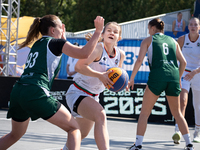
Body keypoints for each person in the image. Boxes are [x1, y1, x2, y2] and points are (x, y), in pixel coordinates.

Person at [0, 14, 104, 150]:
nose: (62, 29)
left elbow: (61, 52)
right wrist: (98, 31)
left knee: (15, 134)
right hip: (35, 91)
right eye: (61, 27)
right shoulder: (55, 43)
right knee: (74, 129)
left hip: (19, 90)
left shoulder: (38, 44)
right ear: (53, 30)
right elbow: (84, 53)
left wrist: (63, 38)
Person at [128, 18, 194, 150]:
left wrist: (132, 78)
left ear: (153, 28)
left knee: (144, 113)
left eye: (148, 29)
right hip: (173, 77)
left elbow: (140, 59)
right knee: (178, 114)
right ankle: (189, 144)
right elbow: (184, 62)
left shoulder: (149, 40)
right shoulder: (173, 41)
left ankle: (138, 145)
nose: (148, 31)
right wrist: (179, 78)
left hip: (158, 76)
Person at [62, 22, 125, 150]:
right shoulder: (98, 49)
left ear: (119, 38)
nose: (112, 33)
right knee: (101, 115)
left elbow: (115, 77)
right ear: (102, 34)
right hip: (78, 92)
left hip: (93, 97)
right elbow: (78, 67)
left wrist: (120, 84)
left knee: (80, 134)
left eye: (115, 31)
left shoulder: (120, 55)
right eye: (109, 30)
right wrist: (100, 75)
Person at [172, 17, 200, 144]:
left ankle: (197, 132)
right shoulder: (182, 39)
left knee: (197, 106)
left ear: (199, 27)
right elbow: (175, 57)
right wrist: (177, 73)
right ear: (188, 27)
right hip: (185, 72)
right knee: (182, 101)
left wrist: (195, 72)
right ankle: (178, 130)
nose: (193, 26)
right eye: (191, 24)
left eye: (195, 24)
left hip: (198, 73)